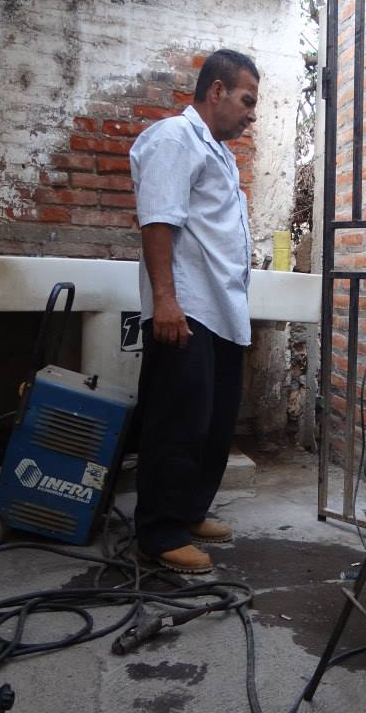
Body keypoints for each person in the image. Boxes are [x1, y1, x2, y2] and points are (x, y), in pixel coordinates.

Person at [127, 49, 260, 574]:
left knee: (212, 420)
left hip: (221, 308)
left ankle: (186, 512)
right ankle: (159, 533)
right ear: (217, 91)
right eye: (248, 100)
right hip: (187, 308)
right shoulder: (173, 139)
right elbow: (158, 220)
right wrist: (164, 300)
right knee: (176, 422)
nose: (253, 112)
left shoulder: (219, 152)